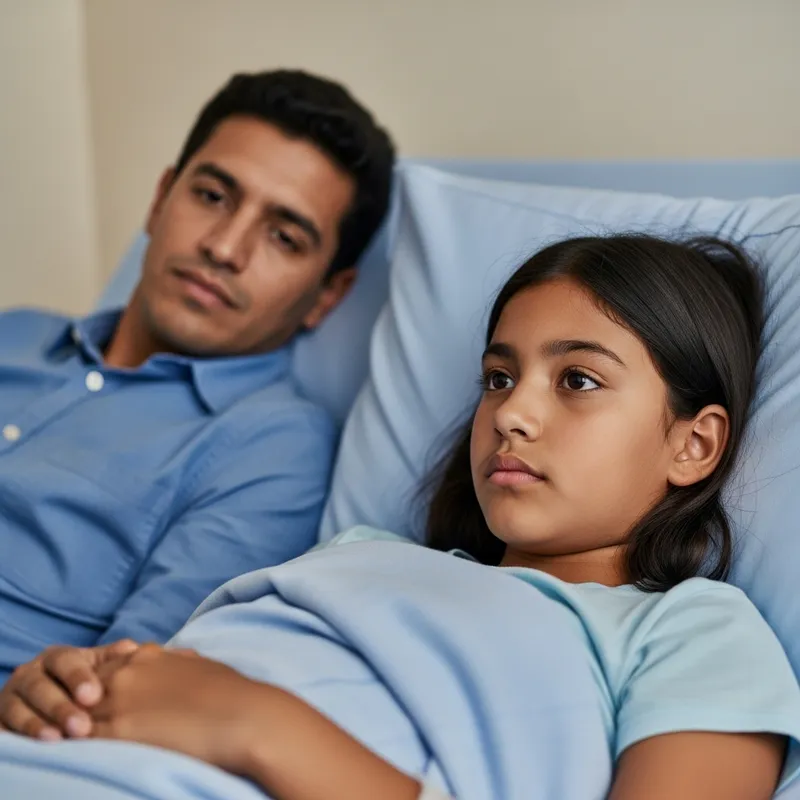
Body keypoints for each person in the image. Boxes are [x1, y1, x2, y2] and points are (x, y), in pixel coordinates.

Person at [1, 234, 799, 800]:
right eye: (496, 377)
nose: (511, 413)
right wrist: (56, 690)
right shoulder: (357, 555)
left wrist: (263, 730)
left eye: (578, 380)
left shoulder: (695, 633)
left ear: (694, 445)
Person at [0, 69, 396, 682]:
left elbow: (119, 688)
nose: (225, 248)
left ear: (327, 296)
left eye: (284, 236)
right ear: (160, 199)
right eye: (212, 196)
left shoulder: (274, 446)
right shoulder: (16, 332)